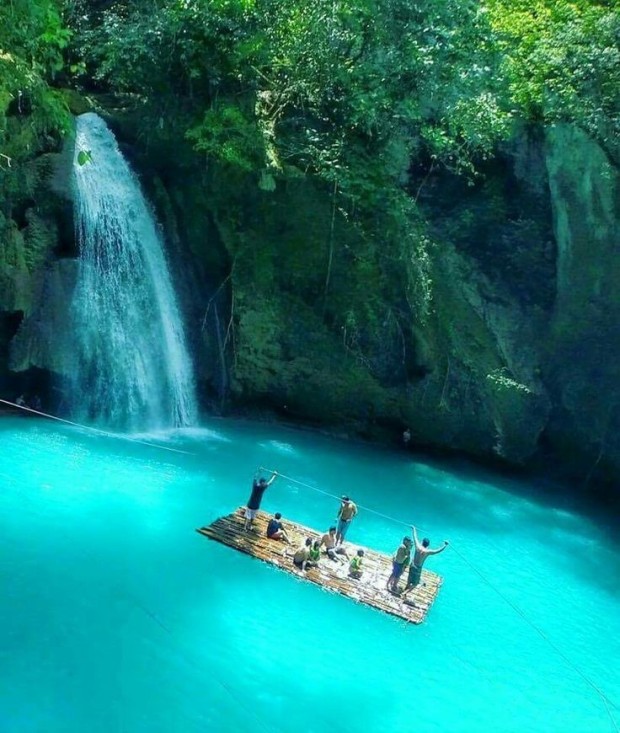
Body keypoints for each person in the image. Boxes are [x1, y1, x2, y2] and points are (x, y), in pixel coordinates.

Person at [403, 526, 449, 595]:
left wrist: (414, 529)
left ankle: (406, 588)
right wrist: (445, 545)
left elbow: (415, 537)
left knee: (409, 580)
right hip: (418, 568)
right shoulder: (427, 552)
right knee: (416, 583)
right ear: (428, 545)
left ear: (422, 542)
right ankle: (405, 592)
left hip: (412, 565)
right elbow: (437, 551)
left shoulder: (417, 546)